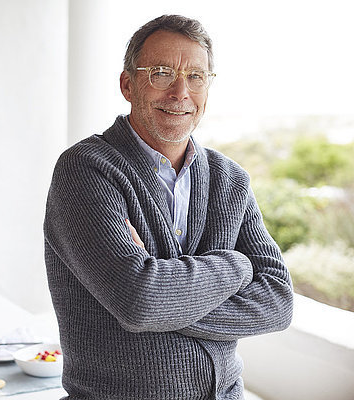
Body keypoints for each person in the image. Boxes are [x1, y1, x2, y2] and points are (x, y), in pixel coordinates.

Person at [43, 14, 293, 400]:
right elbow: (141, 302)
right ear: (128, 84)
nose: (180, 92)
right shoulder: (86, 170)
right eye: (161, 73)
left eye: (196, 76)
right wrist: (238, 265)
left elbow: (277, 301)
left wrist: (165, 298)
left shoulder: (230, 179)